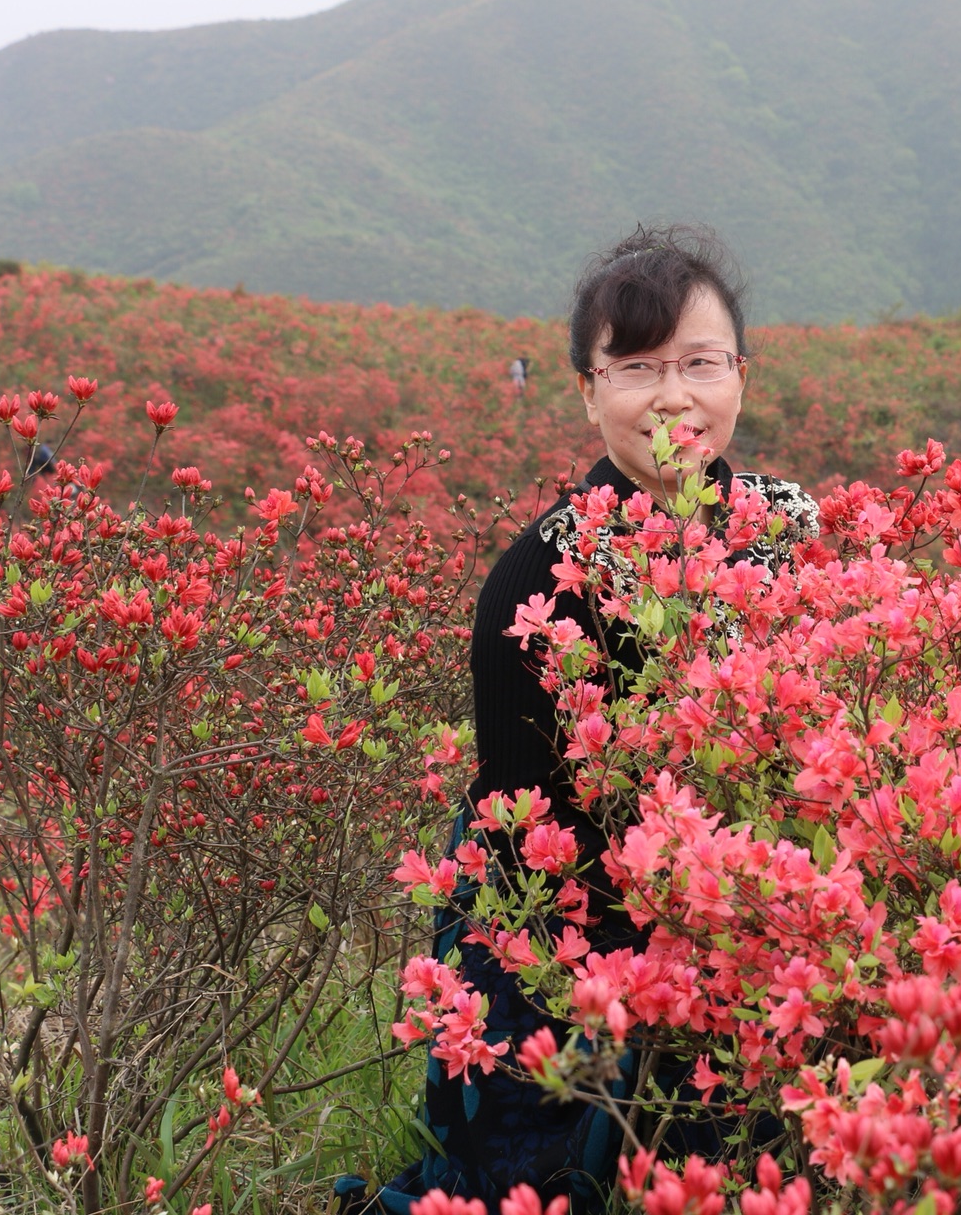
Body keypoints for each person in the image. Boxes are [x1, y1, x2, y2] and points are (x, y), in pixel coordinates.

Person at [343, 225, 817, 1215]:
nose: (674, 396)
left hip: (762, 918)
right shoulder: (537, 574)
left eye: (700, 362)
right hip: (574, 937)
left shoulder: (792, 536)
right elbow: (533, 829)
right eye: (638, 367)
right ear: (587, 389)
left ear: (742, 374)